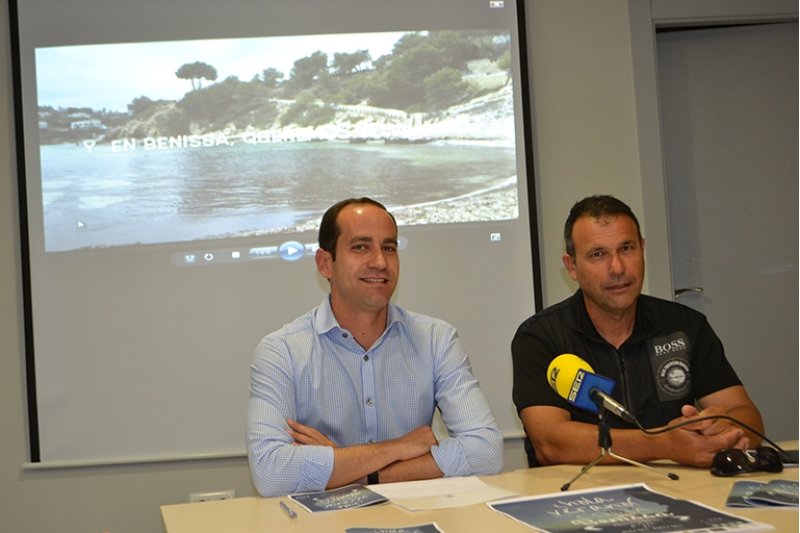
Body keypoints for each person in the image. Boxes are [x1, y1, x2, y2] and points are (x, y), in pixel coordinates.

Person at [247, 197, 503, 497]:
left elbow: (486, 451)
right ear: (325, 263)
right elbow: (271, 472)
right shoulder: (281, 351)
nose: (380, 262)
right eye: (361, 247)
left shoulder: (436, 339)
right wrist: (399, 448)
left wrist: (354, 470)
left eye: (389, 248)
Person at [511, 194, 764, 468]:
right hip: (579, 497)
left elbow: (748, 417)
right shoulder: (540, 337)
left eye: (627, 249)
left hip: (680, 490)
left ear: (642, 249)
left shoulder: (686, 326)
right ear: (572, 266)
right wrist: (664, 443)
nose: (617, 268)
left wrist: (717, 430)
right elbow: (550, 443)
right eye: (598, 254)